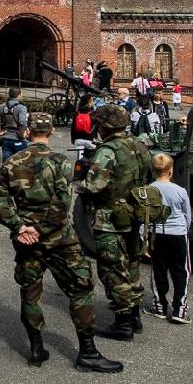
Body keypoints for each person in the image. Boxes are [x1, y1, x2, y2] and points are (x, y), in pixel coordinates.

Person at [0, 112, 122, 372]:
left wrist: (21, 227)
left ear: (27, 132)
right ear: (51, 131)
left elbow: (1, 201)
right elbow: (63, 203)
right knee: (81, 287)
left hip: (27, 239)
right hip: (59, 238)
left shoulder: (11, 163)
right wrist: (41, 229)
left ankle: (36, 348)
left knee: (30, 290)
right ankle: (87, 350)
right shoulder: (61, 162)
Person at [78, 103, 152, 341]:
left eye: (98, 125)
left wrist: (80, 186)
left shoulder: (107, 151)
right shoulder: (139, 146)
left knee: (112, 268)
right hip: (134, 214)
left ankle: (123, 324)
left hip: (109, 219)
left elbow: (95, 185)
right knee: (131, 264)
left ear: (105, 127)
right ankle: (134, 316)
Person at [148, 153, 193, 324]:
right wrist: (185, 231)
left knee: (159, 270)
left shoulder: (149, 190)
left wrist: (143, 237)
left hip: (157, 234)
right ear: (171, 171)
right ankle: (179, 310)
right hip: (178, 235)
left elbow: (144, 216)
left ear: (153, 170)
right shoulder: (180, 191)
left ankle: (160, 306)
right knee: (181, 271)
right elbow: (187, 215)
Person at [0, 87, 29, 160]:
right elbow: (22, 122)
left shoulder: (1, 107)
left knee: (6, 165)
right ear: (19, 95)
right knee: (22, 166)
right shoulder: (21, 107)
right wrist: (21, 135)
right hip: (19, 140)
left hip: (6, 139)